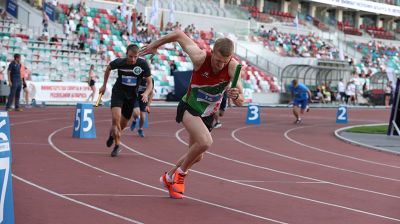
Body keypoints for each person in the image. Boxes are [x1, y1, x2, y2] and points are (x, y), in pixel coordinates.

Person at [140, 31, 244, 199]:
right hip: (189, 106)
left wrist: (236, 95)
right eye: (218, 60)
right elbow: (179, 35)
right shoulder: (200, 57)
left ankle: (168, 177)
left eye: (225, 62)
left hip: (208, 113)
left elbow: (241, 101)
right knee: (205, 142)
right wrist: (155, 45)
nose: (220, 65)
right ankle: (180, 175)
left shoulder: (233, 67)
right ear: (213, 51)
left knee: (198, 155)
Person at [99, 44, 152, 157]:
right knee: (115, 120)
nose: (133, 59)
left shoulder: (142, 64)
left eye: (135, 57)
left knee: (122, 125)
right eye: (130, 56)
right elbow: (108, 68)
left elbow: (150, 83)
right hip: (118, 93)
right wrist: (104, 85)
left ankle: (112, 134)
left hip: (131, 97)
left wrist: (146, 93)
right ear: (126, 54)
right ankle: (117, 145)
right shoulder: (119, 62)